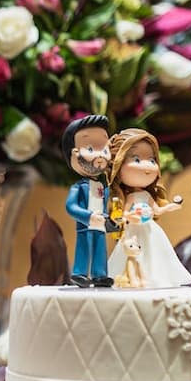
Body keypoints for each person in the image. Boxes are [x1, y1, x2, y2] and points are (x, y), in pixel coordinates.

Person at [105, 128, 191, 289]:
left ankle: (153, 277)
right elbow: (124, 215)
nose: (148, 167)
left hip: (150, 229)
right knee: (132, 256)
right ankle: (133, 278)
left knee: (156, 254)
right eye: (137, 159)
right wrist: (131, 217)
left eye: (152, 160)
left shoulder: (147, 195)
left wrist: (172, 206)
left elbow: (157, 211)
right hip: (134, 233)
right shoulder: (130, 197)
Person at [62, 115, 115, 288]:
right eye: (91, 148)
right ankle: (80, 273)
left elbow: (105, 205)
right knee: (84, 246)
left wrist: (109, 219)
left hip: (100, 224)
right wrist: (88, 216)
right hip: (86, 224)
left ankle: (100, 274)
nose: (100, 155)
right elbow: (71, 207)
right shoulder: (79, 187)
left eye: (104, 149)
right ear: (74, 154)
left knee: (100, 249)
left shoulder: (103, 186)